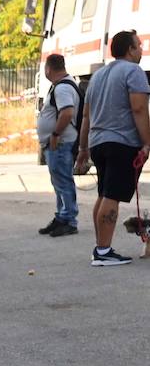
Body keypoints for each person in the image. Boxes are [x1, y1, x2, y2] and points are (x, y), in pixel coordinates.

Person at [76, 30, 150, 266]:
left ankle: (101, 248)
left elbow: (86, 116)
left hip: (99, 143)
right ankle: (103, 252)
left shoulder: (97, 76)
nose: (141, 50)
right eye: (138, 46)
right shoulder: (133, 72)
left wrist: (83, 148)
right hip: (121, 142)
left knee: (104, 194)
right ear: (130, 49)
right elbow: (139, 109)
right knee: (112, 196)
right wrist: (147, 142)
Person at [40, 54, 82, 237]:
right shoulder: (61, 85)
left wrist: (55, 134)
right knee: (59, 181)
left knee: (63, 181)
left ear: (48, 69)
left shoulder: (63, 88)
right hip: (59, 143)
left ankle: (69, 220)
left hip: (61, 143)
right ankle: (61, 217)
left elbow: (67, 113)